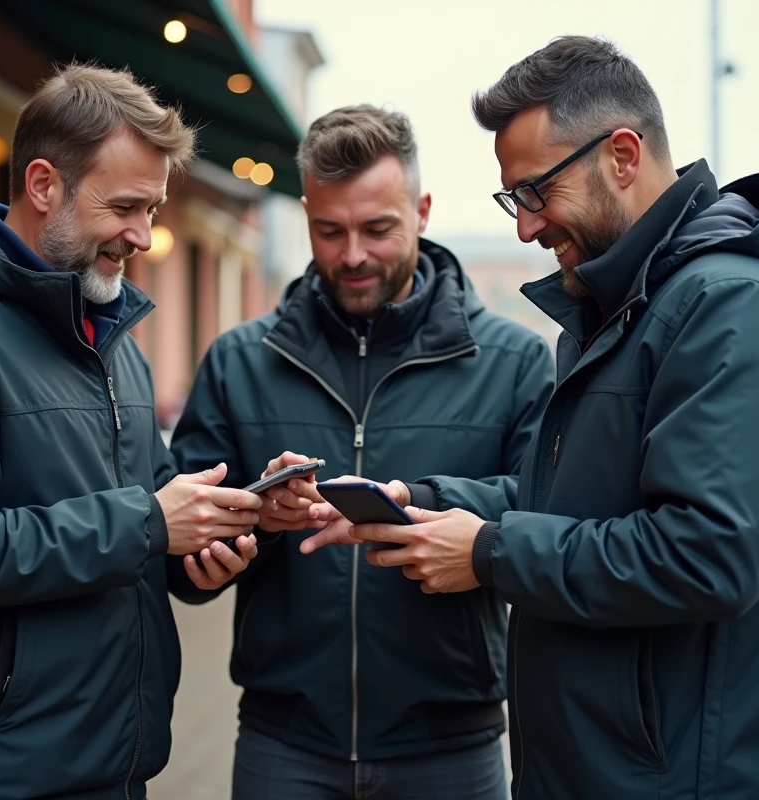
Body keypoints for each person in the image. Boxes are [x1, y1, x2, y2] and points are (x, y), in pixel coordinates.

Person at [304, 36, 759, 800]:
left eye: (535, 191)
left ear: (622, 156)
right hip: (610, 769)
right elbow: (575, 501)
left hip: (681, 779)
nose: (526, 228)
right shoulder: (628, 308)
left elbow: (708, 554)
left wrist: (489, 553)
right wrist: (423, 504)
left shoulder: (734, 307)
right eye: (512, 201)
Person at [0, 64, 264, 800]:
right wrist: (148, 523)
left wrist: (212, 540)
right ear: (42, 185)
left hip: (114, 767)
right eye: (125, 206)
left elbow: (144, 518)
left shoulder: (112, 338)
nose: (143, 236)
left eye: (154, 209)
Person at [168, 105, 554, 799]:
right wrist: (250, 524)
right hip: (284, 744)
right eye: (329, 231)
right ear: (306, 215)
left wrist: (426, 505)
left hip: (451, 748)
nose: (352, 255)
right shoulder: (237, 362)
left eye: (377, 229)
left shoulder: (515, 361)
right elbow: (182, 561)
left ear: (422, 212)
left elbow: (548, 516)